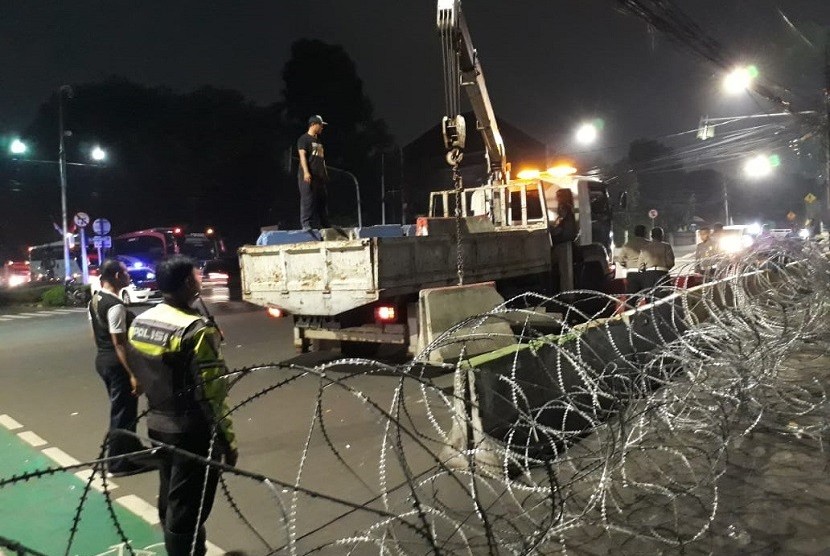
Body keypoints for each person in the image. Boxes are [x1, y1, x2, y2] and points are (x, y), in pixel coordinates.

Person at [128, 255, 237, 556]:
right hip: (193, 432)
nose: (201, 280)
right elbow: (212, 392)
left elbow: (142, 368)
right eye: (198, 276)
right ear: (189, 283)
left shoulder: (141, 321)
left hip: (157, 423)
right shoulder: (195, 330)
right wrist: (228, 441)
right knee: (189, 508)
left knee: (171, 495)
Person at [88, 258, 151, 477]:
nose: (129, 275)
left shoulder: (95, 300)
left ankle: (131, 450)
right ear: (116, 276)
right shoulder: (115, 305)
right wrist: (132, 374)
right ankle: (118, 464)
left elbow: (96, 335)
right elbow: (119, 343)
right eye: (125, 272)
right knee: (122, 414)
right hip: (117, 364)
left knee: (126, 410)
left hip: (103, 360)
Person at [297, 114, 331, 230]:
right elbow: (302, 156)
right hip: (308, 176)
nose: (322, 127)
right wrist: (306, 172)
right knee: (308, 199)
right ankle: (306, 224)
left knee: (322, 200)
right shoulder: (304, 139)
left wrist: (325, 173)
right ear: (313, 125)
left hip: (319, 177)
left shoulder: (319, 141)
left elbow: (322, 158)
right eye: (320, 125)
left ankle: (325, 225)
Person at [549, 188, 577, 291]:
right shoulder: (567, 207)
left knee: (565, 271)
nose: (557, 198)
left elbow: (561, 221)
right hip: (565, 239)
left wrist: (553, 229)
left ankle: (567, 294)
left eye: (559, 196)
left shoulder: (565, 207)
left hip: (564, 240)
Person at [616, 224, 649, 307]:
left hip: (632, 274)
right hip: (646, 273)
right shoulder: (649, 244)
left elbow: (620, 260)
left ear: (635, 233)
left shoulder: (628, 245)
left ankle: (631, 317)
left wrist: (627, 265)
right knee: (649, 298)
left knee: (631, 300)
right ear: (645, 233)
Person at [637, 227, 675, 296]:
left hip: (649, 274)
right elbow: (671, 262)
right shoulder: (666, 246)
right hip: (663, 274)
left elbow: (640, 265)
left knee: (649, 298)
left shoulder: (645, 248)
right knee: (663, 298)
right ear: (662, 236)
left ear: (651, 236)